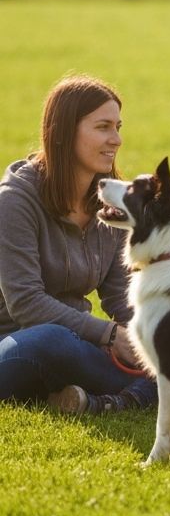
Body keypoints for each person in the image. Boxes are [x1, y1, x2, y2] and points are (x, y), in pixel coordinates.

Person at [0, 75, 156, 414]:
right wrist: (111, 335)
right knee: (51, 340)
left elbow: (119, 295)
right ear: (64, 131)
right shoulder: (14, 202)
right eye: (103, 127)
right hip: (15, 344)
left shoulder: (109, 205)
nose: (116, 139)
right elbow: (26, 304)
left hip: (78, 345)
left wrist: (149, 336)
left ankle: (102, 401)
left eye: (118, 126)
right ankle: (130, 395)